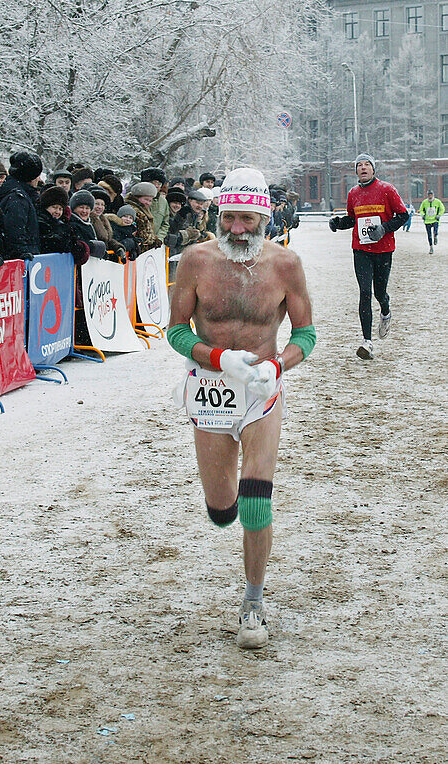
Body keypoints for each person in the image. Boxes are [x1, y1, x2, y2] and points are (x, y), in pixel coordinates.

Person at [167, 166, 315, 650]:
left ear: (265, 218)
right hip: (210, 388)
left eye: (246, 220)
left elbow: (307, 334)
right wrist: (218, 356)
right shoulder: (195, 260)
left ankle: (253, 601)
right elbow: (175, 331)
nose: (236, 229)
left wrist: (278, 366)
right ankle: (223, 508)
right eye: (228, 218)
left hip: (259, 390)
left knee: (256, 499)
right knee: (222, 509)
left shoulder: (285, 265)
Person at [329, 153, 408, 360]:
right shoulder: (353, 193)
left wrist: (383, 229)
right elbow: (352, 219)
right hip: (361, 251)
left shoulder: (387, 189)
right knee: (364, 292)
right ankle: (367, 342)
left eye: (367, 165)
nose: (363, 168)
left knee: (378, 293)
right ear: (356, 171)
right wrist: (338, 223)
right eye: (359, 165)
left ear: (373, 169)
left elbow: (403, 215)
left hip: (383, 251)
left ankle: (385, 310)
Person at [0, 152, 43, 261]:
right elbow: (14, 232)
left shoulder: (15, 193)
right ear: (31, 177)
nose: (39, 180)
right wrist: (22, 253)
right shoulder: (18, 199)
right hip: (22, 263)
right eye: (37, 176)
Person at [37, 186, 89, 264]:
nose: (57, 212)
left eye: (60, 209)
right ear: (46, 207)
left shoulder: (63, 224)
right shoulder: (41, 223)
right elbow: (53, 244)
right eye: (54, 207)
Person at [125, 182, 164, 253]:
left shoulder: (144, 210)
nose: (148, 203)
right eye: (146, 199)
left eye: (150, 201)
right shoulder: (134, 211)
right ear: (137, 197)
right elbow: (143, 235)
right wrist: (152, 241)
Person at [90, 187, 126, 260]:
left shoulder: (103, 219)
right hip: (93, 260)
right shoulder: (89, 220)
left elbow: (108, 240)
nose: (99, 207)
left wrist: (118, 248)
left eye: (102, 205)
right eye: (96, 204)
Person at [69, 190, 107, 259]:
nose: (84, 211)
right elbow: (78, 245)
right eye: (81, 207)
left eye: (87, 208)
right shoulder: (71, 224)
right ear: (74, 208)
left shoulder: (89, 224)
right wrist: (95, 247)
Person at [141, 168, 170, 241]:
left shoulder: (163, 202)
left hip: (155, 244)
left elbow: (165, 223)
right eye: (154, 182)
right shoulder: (136, 197)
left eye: (159, 183)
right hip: (139, 241)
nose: (156, 186)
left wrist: (159, 238)